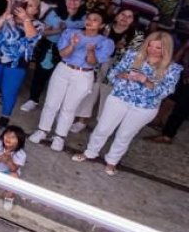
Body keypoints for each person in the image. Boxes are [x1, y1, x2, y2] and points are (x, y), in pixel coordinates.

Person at [74, 32, 182, 175]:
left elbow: (165, 92)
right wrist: (122, 75)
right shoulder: (133, 55)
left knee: (125, 135)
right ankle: (90, 152)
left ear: (166, 49)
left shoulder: (173, 69)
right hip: (119, 98)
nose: (152, 50)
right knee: (103, 128)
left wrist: (146, 81)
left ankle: (112, 161)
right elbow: (112, 74)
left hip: (144, 107)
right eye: (150, 45)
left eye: (158, 47)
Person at [29, 11, 113, 152]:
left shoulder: (105, 42)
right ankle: (43, 130)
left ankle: (59, 136)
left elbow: (92, 63)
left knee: (69, 107)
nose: (90, 21)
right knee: (51, 103)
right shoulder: (71, 33)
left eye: (95, 20)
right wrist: (73, 45)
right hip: (64, 69)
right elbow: (63, 54)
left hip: (83, 74)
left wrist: (91, 51)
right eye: (89, 18)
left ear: (102, 25)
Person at [73, 8, 143, 132]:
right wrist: (115, 46)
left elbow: (133, 56)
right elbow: (93, 42)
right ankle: (81, 120)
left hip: (118, 67)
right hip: (97, 62)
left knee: (108, 95)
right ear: (116, 15)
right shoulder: (105, 27)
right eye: (122, 14)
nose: (125, 18)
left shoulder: (138, 35)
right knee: (91, 90)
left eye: (129, 16)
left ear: (133, 21)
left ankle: (102, 124)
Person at [20, 0, 87, 113]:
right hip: (50, 46)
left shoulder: (85, 18)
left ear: (82, 2)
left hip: (72, 50)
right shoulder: (54, 12)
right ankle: (33, 99)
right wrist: (57, 30)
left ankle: (57, 106)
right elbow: (42, 31)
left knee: (63, 78)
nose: (72, 1)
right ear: (65, 0)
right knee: (41, 73)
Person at [0, 0, 44, 127]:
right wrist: (5, 15)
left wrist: (26, 19)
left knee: (9, 91)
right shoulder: (7, 18)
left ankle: (5, 116)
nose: (27, 6)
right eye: (26, 3)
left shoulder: (38, 25)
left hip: (17, 63)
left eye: (32, 5)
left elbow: (32, 37)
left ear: (36, 10)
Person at [149, 44, 189, 144]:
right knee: (173, 98)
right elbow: (177, 59)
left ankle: (167, 136)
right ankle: (160, 123)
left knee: (181, 108)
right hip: (183, 75)